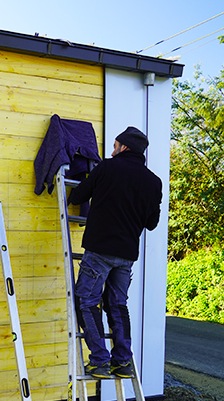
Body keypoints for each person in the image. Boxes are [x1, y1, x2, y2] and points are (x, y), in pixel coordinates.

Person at [68, 126, 162, 379]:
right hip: (126, 255)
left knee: (86, 301)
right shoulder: (154, 182)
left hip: (99, 249)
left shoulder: (107, 168)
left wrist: (93, 184)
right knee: (118, 305)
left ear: (124, 147)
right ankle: (122, 362)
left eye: (115, 145)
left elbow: (77, 196)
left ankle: (99, 361)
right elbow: (152, 223)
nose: (112, 150)